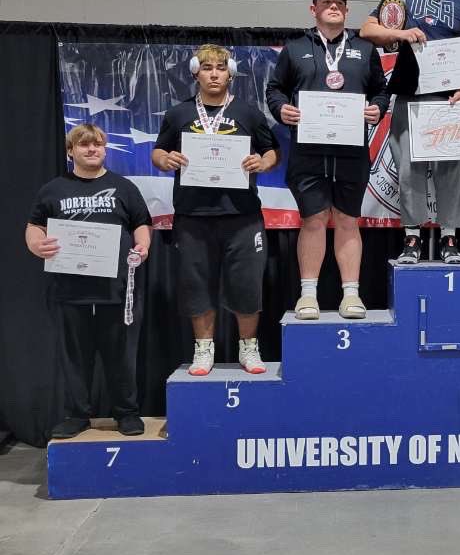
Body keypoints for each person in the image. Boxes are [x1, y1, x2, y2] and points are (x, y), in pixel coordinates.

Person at [266, 0, 389, 320]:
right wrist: (281, 110)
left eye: (339, 2)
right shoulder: (294, 49)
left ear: (347, 11)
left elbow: (380, 91)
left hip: (351, 150)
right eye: (326, 1)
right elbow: (275, 90)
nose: (333, 6)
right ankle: (309, 295)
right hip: (309, 150)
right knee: (313, 219)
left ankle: (351, 294)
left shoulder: (365, 50)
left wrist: (376, 108)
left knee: (349, 220)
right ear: (313, 8)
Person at [153, 44, 278, 376]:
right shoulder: (178, 114)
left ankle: (248, 348)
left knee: (247, 285)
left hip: (243, 216)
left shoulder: (249, 113)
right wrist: (165, 160)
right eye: (207, 67)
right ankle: (203, 350)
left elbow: (271, 152)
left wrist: (261, 163)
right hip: (194, 216)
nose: (213, 73)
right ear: (195, 71)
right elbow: (158, 151)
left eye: (220, 67)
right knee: (197, 285)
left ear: (230, 72)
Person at [360, 0, 460, 265]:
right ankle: (412, 238)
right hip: (410, 95)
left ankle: (450, 239)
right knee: (408, 170)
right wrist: (401, 34)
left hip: (449, 99)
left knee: (450, 170)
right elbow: (368, 30)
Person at [26, 123, 152, 438]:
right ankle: (77, 414)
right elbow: (34, 226)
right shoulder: (53, 189)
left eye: (97, 144)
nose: (92, 149)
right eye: (84, 145)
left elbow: (141, 223)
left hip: (116, 288)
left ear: (104, 149)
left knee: (121, 354)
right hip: (69, 288)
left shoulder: (123, 187)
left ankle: (126, 413)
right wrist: (35, 243)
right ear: (71, 152)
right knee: (74, 355)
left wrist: (143, 246)